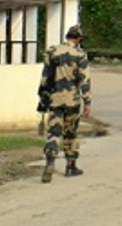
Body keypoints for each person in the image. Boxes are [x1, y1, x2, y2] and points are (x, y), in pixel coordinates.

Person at [37, 24, 92, 183]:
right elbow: (84, 80)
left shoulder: (52, 51)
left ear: (67, 36)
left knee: (54, 132)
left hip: (55, 99)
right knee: (70, 133)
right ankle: (71, 166)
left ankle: (50, 163)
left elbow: (45, 77)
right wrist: (87, 101)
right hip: (72, 100)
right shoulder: (80, 54)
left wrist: (43, 97)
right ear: (79, 39)